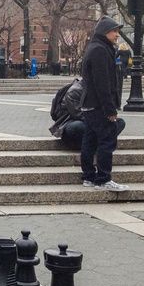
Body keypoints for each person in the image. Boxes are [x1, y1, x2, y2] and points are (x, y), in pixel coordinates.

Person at [80, 16, 128, 192]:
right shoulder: (100, 50)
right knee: (107, 141)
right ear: (105, 32)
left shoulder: (95, 47)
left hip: (89, 104)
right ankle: (103, 179)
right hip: (98, 105)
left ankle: (88, 177)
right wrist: (110, 109)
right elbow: (103, 83)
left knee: (90, 140)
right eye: (115, 31)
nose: (117, 35)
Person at [49, 78, 86, 150]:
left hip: (88, 120)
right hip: (68, 123)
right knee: (79, 126)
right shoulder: (75, 91)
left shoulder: (92, 90)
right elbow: (78, 114)